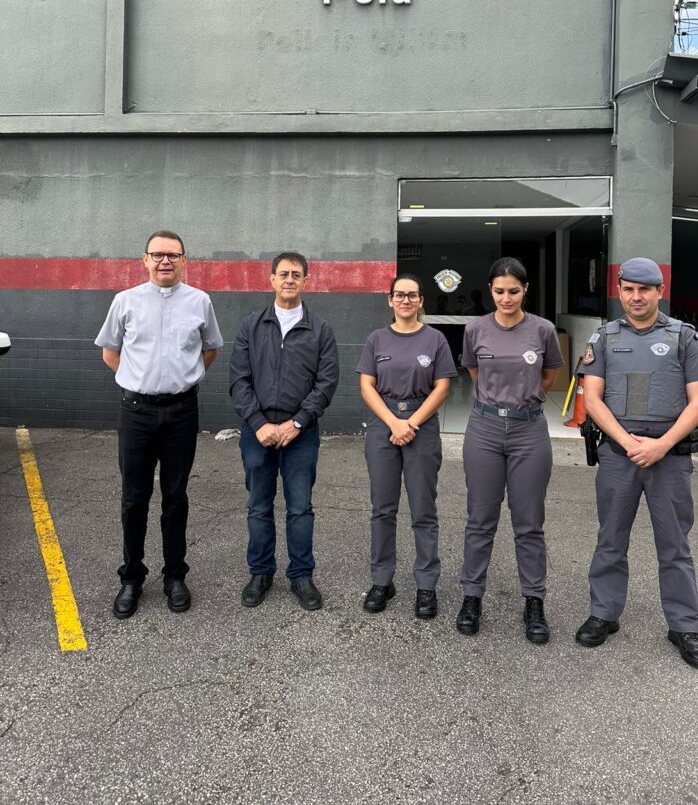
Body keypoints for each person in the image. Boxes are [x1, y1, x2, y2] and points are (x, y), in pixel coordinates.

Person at [575, 257, 698, 670]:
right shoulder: (603, 338)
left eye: (645, 290)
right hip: (619, 457)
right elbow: (593, 400)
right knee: (610, 540)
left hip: (669, 459)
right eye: (628, 289)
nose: (636, 297)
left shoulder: (683, 337)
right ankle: (604, 614)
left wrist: (661, 444)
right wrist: (626, 442)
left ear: (659, 292)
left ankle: (683, 625)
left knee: (674, 546)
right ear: (620, 291)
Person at [95, 230, 223, 619]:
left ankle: (174, 576)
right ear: (144, 259)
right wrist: (140, 382)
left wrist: (183, 381)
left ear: (185, 260)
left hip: (182, 413)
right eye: (158, 254)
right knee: (134, 498)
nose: (165, 261)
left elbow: (211, 349)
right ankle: (132, 577)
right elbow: (110, 353)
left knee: (175, 497)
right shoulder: (125, 301)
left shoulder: (200, 301)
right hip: (136, 413)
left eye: (173, 255)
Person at [457, 257, 563, 641]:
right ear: (490, 290)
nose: (506, 298)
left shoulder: (543, 330)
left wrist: (523, 399)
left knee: (529, 523)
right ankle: (472, 597)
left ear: (525, 289)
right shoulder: (474, 329)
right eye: (499, 291)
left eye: (513, 291)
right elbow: (475, 372)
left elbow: (548, 375)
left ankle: (534, 601)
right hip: (484, 428)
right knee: (480, 519)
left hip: (528, 430)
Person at [229, 252, 339, 611]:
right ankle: (260, 573)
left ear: (307, 281)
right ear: (271, 279)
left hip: (300, 433)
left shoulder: (320, 329)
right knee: (259, 507)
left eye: (296, 274)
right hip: (257, 434)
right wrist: (259, 424)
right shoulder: (251, 326)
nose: (289, 280)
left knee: (300, 508)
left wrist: (297, 422)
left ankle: (301, 575)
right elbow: (239, 380)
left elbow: (326, 383)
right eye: (283, 274)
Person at [356, 274, 456, 618]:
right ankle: (382, 580)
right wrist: (393, 423)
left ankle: (426, 585)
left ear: (421, 300)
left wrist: (411, 423)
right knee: (382, 509)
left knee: (423, 510)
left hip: (421, 425)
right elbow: (367, 386)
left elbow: (442, 387)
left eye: (412, 295)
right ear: (390, 300)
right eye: (399, 295)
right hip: (383, 425)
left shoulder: (435, 339)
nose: (405, 301)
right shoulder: (376, 339)